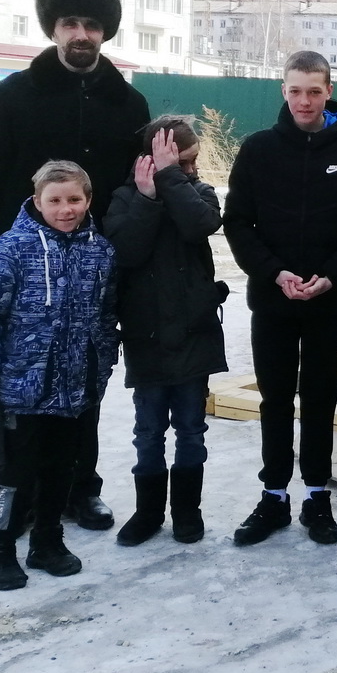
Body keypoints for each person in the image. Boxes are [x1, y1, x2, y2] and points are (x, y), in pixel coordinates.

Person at [0, 0, 147, 531]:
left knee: (83, 390)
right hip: (22, 274)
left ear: (104, 33)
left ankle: (78, 489)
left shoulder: (127, 102)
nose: (81, 34)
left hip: (92, 272)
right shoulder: (14, 95)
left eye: (91, 25)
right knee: (19, 399)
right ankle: (15, 500)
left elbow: (135, 191)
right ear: (54, 29)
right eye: (70, 24)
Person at [223, 51, 337, 547]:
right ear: (283, 91)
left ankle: (316, 496)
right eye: (296, 90)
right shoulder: (258, 150)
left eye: (314, 91)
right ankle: (273, 495)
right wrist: (275, 273)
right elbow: (238, 224)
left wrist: (333, 277)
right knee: (274, 399)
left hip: (327, 302)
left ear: (328, 91)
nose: (305, 101)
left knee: (319, 399)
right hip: (273, 300)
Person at [0, 161, 119, 590]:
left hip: (74, 389)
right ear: (37, 200)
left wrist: (100, 365)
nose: (65, 209)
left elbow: (105, 315)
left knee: (61, 469)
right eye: (55, 200)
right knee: (16, 473)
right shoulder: (8, 249)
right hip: (21, 388)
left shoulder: (100, 251)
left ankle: (48, 541)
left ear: (88, 201)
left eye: (74, 199)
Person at [103, 116, 228, 547]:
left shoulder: (199, 192)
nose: (192, 169)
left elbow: (200, 225)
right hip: (148, 337)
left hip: (194, 333)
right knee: (149, 431)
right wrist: (147, 198)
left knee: (192, 430)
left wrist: (171, 177)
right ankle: (148, 512)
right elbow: (126, 252)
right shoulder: (125, 198)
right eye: (182, 161)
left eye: (191, 162)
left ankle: (187, 512)